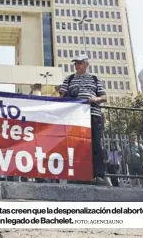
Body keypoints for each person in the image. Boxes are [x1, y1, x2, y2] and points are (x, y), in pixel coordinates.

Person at [59, 54, 110, 186]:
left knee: (96, 145)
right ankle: (77, 173)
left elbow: (104, 97)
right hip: (75, 116)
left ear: (86, 64)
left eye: (80, 63)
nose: (77, 65)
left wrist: (96, 99)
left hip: (93, 114)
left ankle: (98, 175)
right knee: (75, 144)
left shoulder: (94, 79)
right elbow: (62, 96)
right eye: (75, 63)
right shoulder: (69, 79)